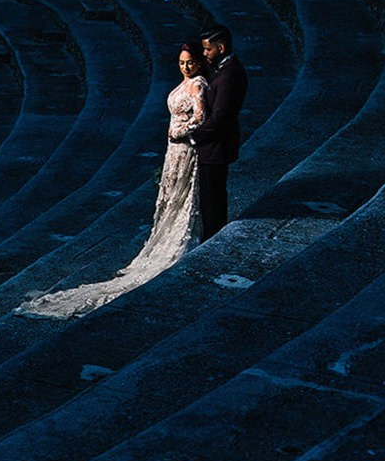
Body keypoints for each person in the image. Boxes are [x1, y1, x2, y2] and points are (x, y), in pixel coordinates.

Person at [17, 41, 209, 319]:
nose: (185, 67)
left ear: (200, 62)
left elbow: (201, 117)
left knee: (182, 194)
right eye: (181, 62)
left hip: (184, 147)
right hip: (174, 151)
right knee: (171, 193)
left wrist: (178, 133)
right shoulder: (187, 83)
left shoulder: (198, 85)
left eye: (190, 62)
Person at [191, 23, 248, 238]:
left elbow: (219, 117)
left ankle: (213, 236)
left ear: (221, 48)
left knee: (212, 198)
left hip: (216, 148)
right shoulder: (225, 70)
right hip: (214, 147)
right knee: (211, 197)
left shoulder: (230, 75)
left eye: (208, 49)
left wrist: (194, 136)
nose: (205, 54)